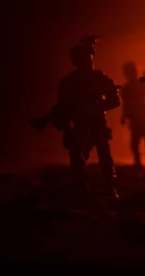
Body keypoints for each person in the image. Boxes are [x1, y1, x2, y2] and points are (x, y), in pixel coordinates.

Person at [51, 36, 121, 198]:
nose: (88, 60)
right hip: (81, 122)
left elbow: (114, 100)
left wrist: (100, 105)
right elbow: (62, 107)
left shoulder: (97, 78)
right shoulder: (70, 81)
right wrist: (66, 128)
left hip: (96, 121)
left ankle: (109, 186)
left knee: (103, 154)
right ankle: (81, 186)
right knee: (77, 154)